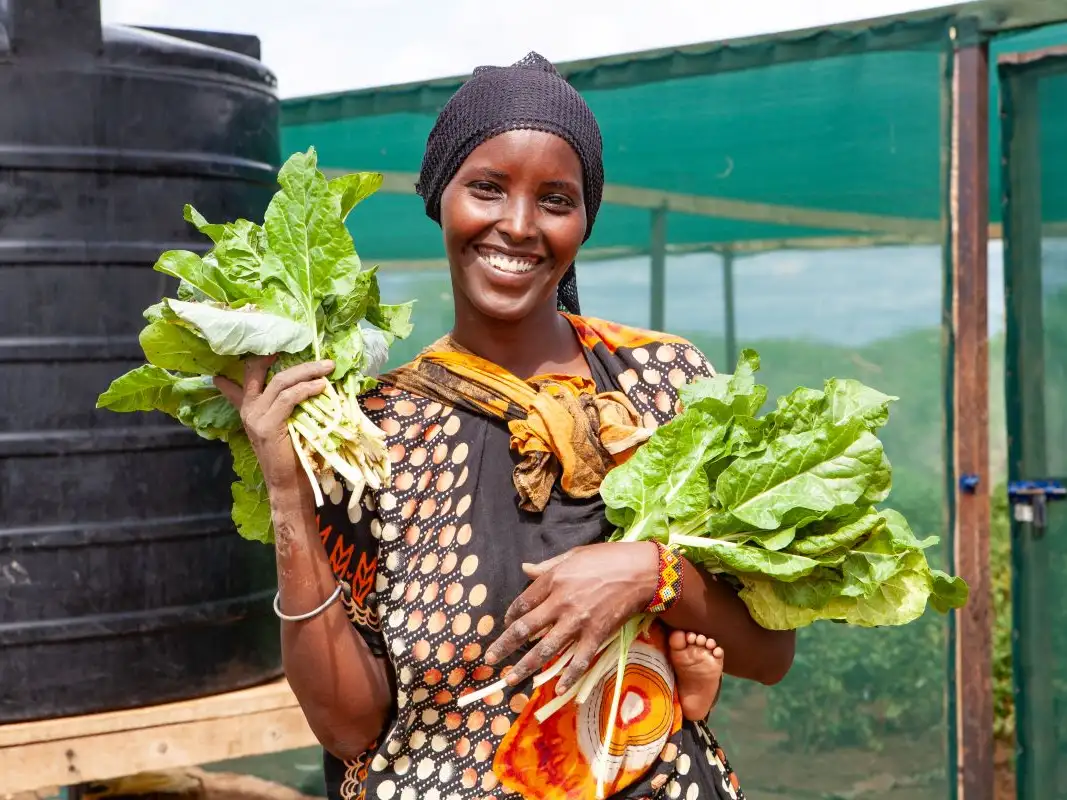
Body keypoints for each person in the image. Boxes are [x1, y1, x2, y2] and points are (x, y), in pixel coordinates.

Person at [217, 52, 794, 800]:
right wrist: (289, 495)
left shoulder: (663, 383)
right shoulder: (372, 431)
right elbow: (349, 729)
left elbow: (769, 651)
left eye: (555, 199)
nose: (518, 226)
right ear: (440, 198)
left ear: (584, 219)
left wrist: (651, 574)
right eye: (486, 188)